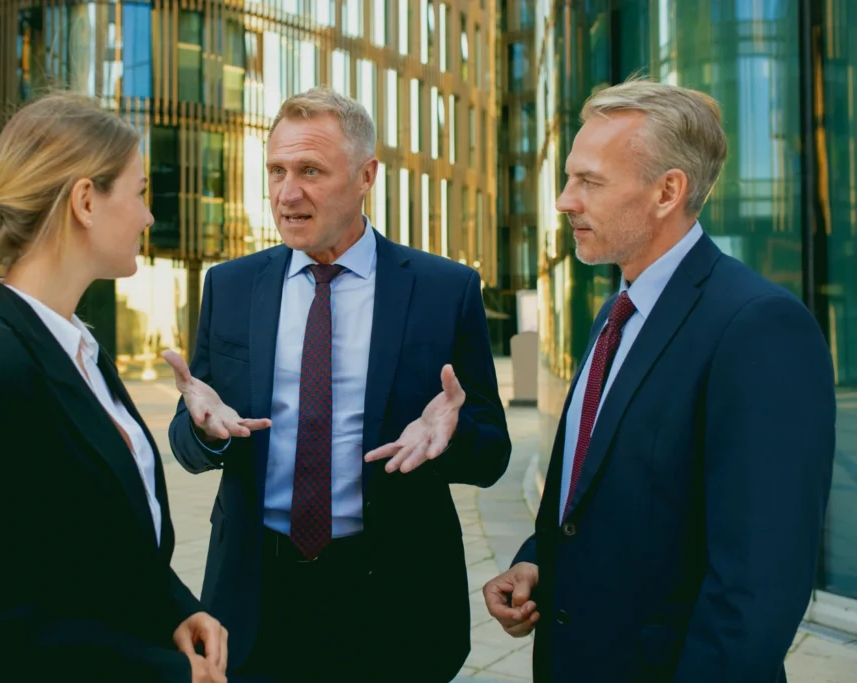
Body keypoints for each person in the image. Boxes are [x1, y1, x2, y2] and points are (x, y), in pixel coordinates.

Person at [482, 78, 836, 682]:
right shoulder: (617, 311)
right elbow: (598, 496)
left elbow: (755, 591)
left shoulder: (759, 328)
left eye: (589, 181)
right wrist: (537, 560)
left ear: (667, 191)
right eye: (568, 178)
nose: (565, 201)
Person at [164, 86, 511, 683]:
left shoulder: (443, 290)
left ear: (366, 175)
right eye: (276, 170)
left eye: (310, 171)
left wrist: (448, 438)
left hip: (395, 602)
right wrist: (205, 432)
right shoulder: (232, 286)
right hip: (255, 595)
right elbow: (193, 428)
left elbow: (491, 452)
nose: (286, 192)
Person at [0, 93, 228, 683]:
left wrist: (177, 608)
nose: (148, 216)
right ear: (84, 200)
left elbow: (101, 549)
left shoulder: (82, 352)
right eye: (139, 191)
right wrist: (159, 673)